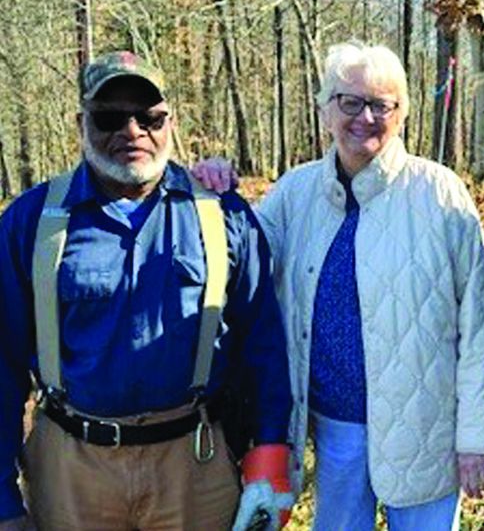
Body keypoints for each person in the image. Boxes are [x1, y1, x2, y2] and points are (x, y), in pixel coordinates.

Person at [194, 41, 484, 531]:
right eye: (350, 102)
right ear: (325, 110)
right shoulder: (295, 193)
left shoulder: (441, 194)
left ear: (401, 113)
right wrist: (212, 194)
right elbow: (239, 262)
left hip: (426, 431)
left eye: (381, 104)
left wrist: (477, 439)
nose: (365, 117)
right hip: (335, 428)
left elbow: (481, 327)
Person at [0, 51, 294, 531]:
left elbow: (263, 344)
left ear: (169, 122)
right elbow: (2, 363)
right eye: (109, 117)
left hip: (194, 467)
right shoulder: (31, 223)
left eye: (148, 117)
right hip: (71, 471)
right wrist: (3, 502)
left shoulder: (224, 217)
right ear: (81, 123)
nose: (132, 131)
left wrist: (270, 449)